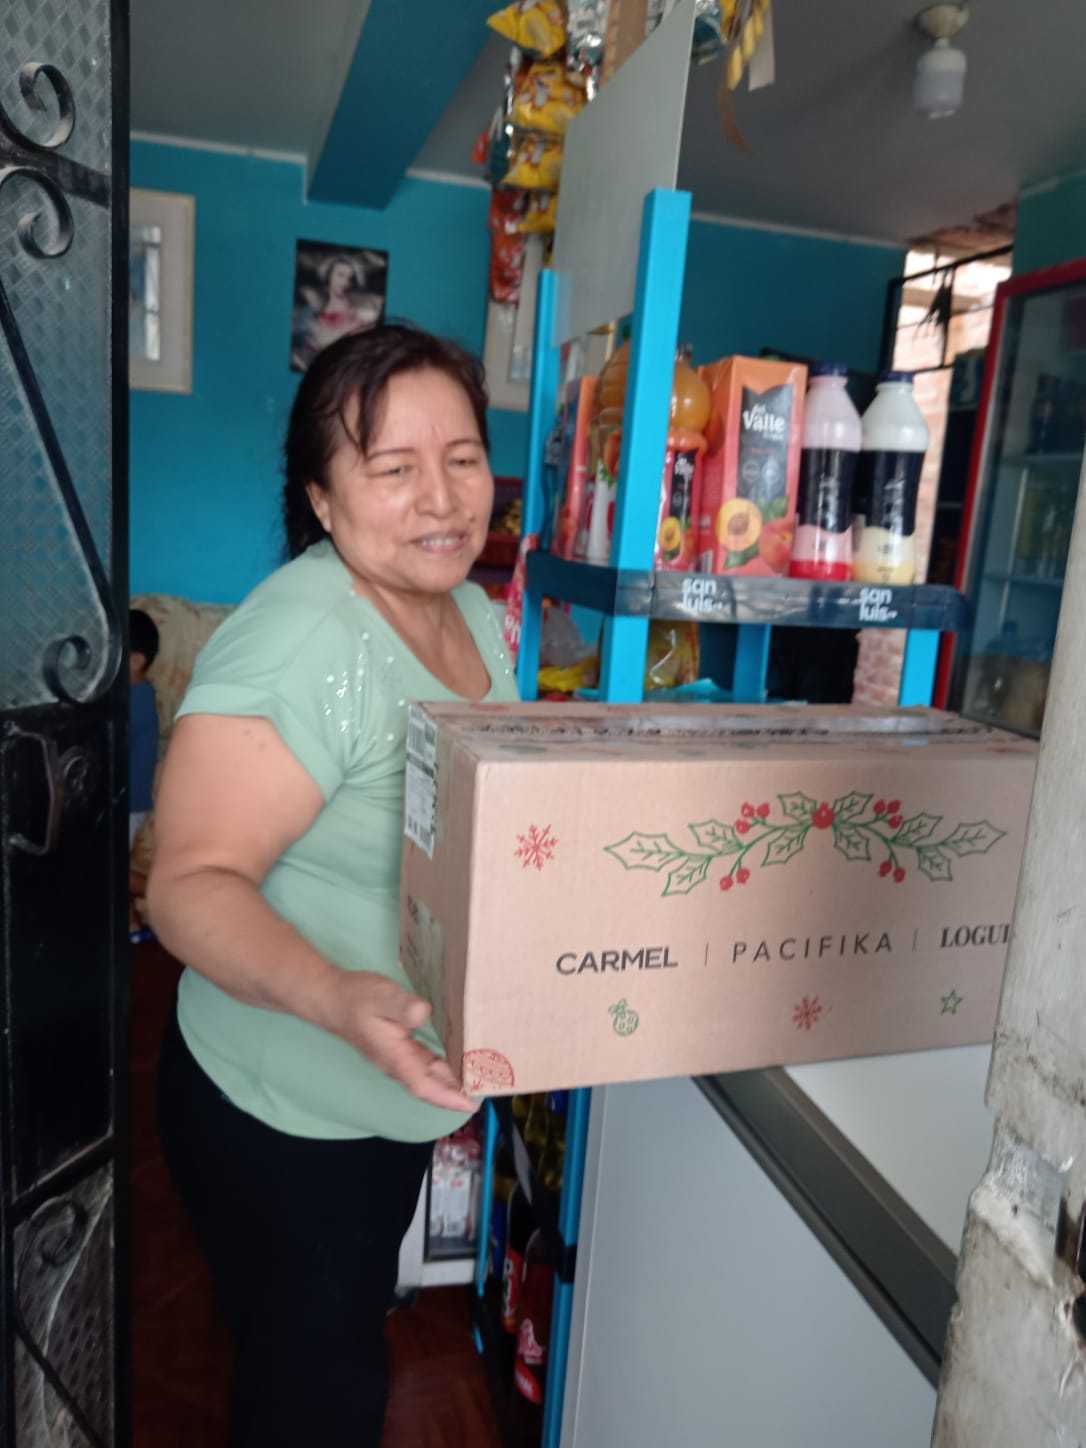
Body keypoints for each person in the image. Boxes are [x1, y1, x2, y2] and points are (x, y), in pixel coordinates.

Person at [147, 323, 517, 1448]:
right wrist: (336, 997)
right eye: (393, 467)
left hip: (389, 1099)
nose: (441, 496)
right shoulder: (303, 639)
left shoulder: (473, 610)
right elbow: (186, 883)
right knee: (318, 1399)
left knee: (325, 1345)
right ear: (320, 496)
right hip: (287, 1115)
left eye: (462, 457)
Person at [291, 253, 385, 371]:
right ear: (329, 276)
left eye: (351, 278)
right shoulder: (310, 314)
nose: (346, 282)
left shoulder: (363, 317)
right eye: (340, 275)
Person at [129, 608, 160, 939]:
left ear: (136, 661)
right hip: (127, 798)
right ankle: (132, 924)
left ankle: (169, 897)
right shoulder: (141, 693)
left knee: (109, 868)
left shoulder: (135, 701)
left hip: (129, 801)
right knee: (110, 866)